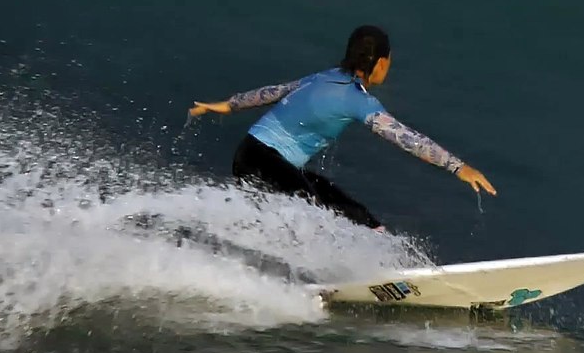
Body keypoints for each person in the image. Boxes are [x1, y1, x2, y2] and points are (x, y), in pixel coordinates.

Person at [189, 25, 496, 230]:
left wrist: (230, 104)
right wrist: (458, 167)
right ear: (380, 63)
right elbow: (406, 138)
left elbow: (275, 91)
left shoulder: (325, 76)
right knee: (312, 209)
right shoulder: (359, 102)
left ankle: (376, 251)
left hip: (257, 157)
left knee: (355, 214)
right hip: (263, 160)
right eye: (388, 61)